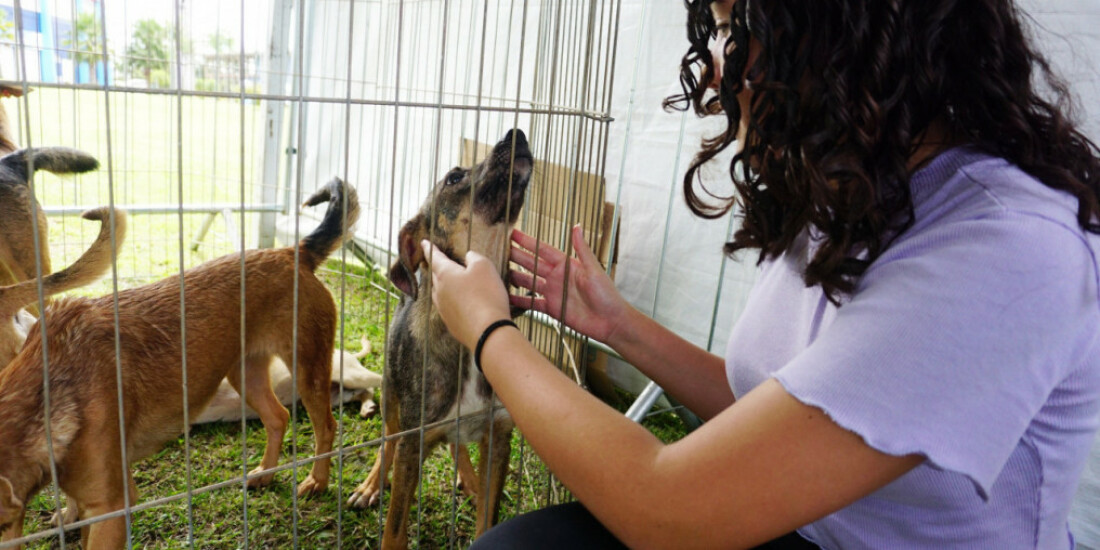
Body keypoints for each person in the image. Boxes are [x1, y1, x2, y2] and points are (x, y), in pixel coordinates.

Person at [421, 0, 1100, 548]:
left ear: (840, 26)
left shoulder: (1006, 250)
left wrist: (489, 333)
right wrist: (619, 326)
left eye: (735, 27)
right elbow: (779, 412)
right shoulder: (853, 186)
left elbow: (666, 511)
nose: (713, 70)